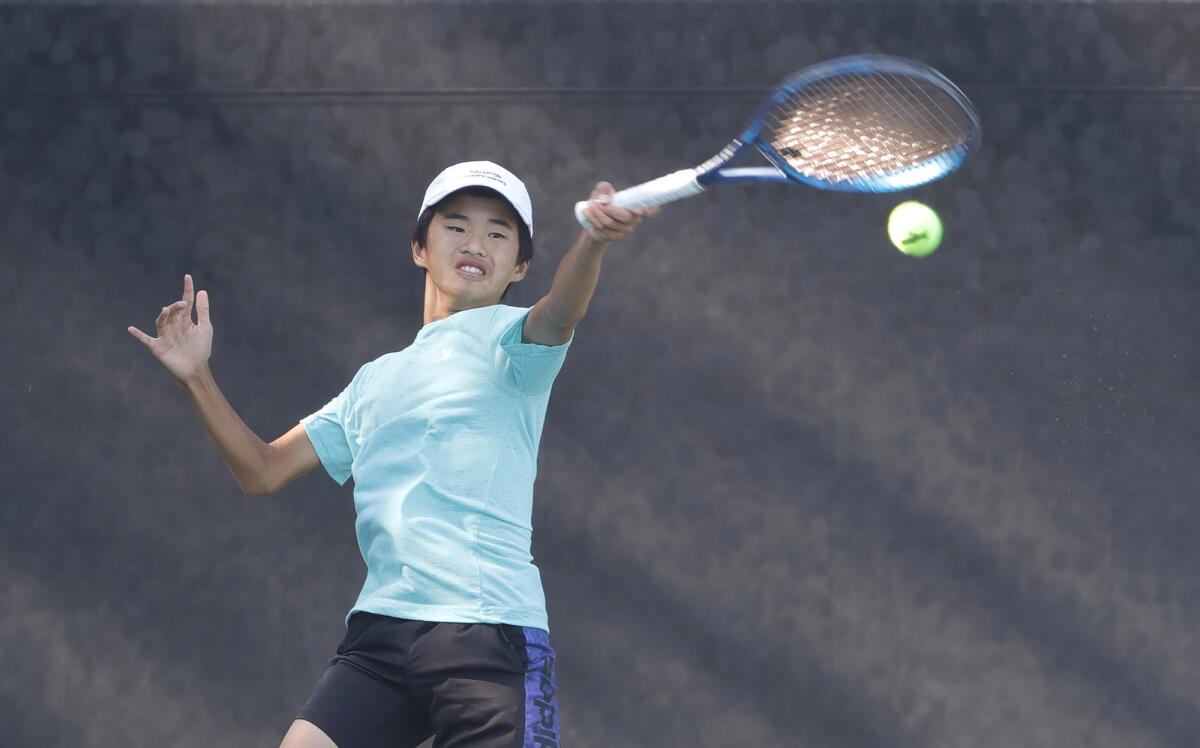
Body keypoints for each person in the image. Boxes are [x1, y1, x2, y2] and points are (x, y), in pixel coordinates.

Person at [128, 161, 658, 748]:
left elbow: (563, 310)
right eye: (456, 226)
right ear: (419, 249)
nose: (476, 243)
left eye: (499, 233)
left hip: (487, 636)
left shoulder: (515, 341)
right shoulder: (372, 382)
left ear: (520, 266)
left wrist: (594, 240)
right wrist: (197, 377)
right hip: (380, 639)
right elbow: (263, 470)